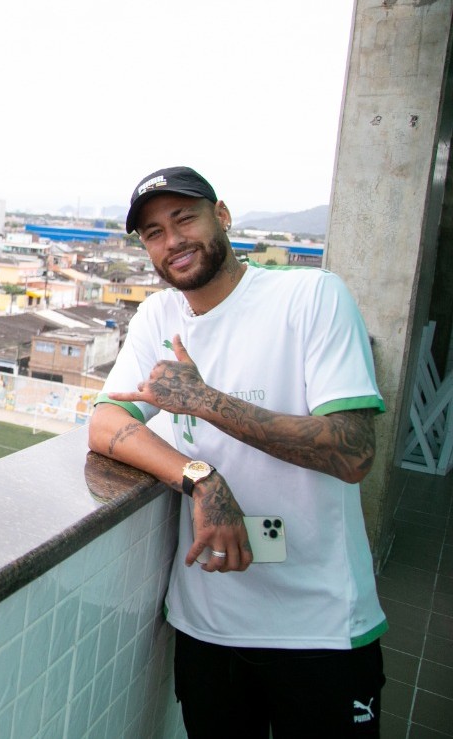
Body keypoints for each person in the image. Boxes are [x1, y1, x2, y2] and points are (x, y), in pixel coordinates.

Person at [88, 166, 386, 736]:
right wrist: (200, 477)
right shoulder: (158, 315)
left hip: (321, 627)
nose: (172, 241)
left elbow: (353, 453)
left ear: (222, 216)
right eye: (154, 232)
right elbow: (105, 423)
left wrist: (205, 401)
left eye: (184, 219)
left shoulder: (312, 296)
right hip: (209, 625)